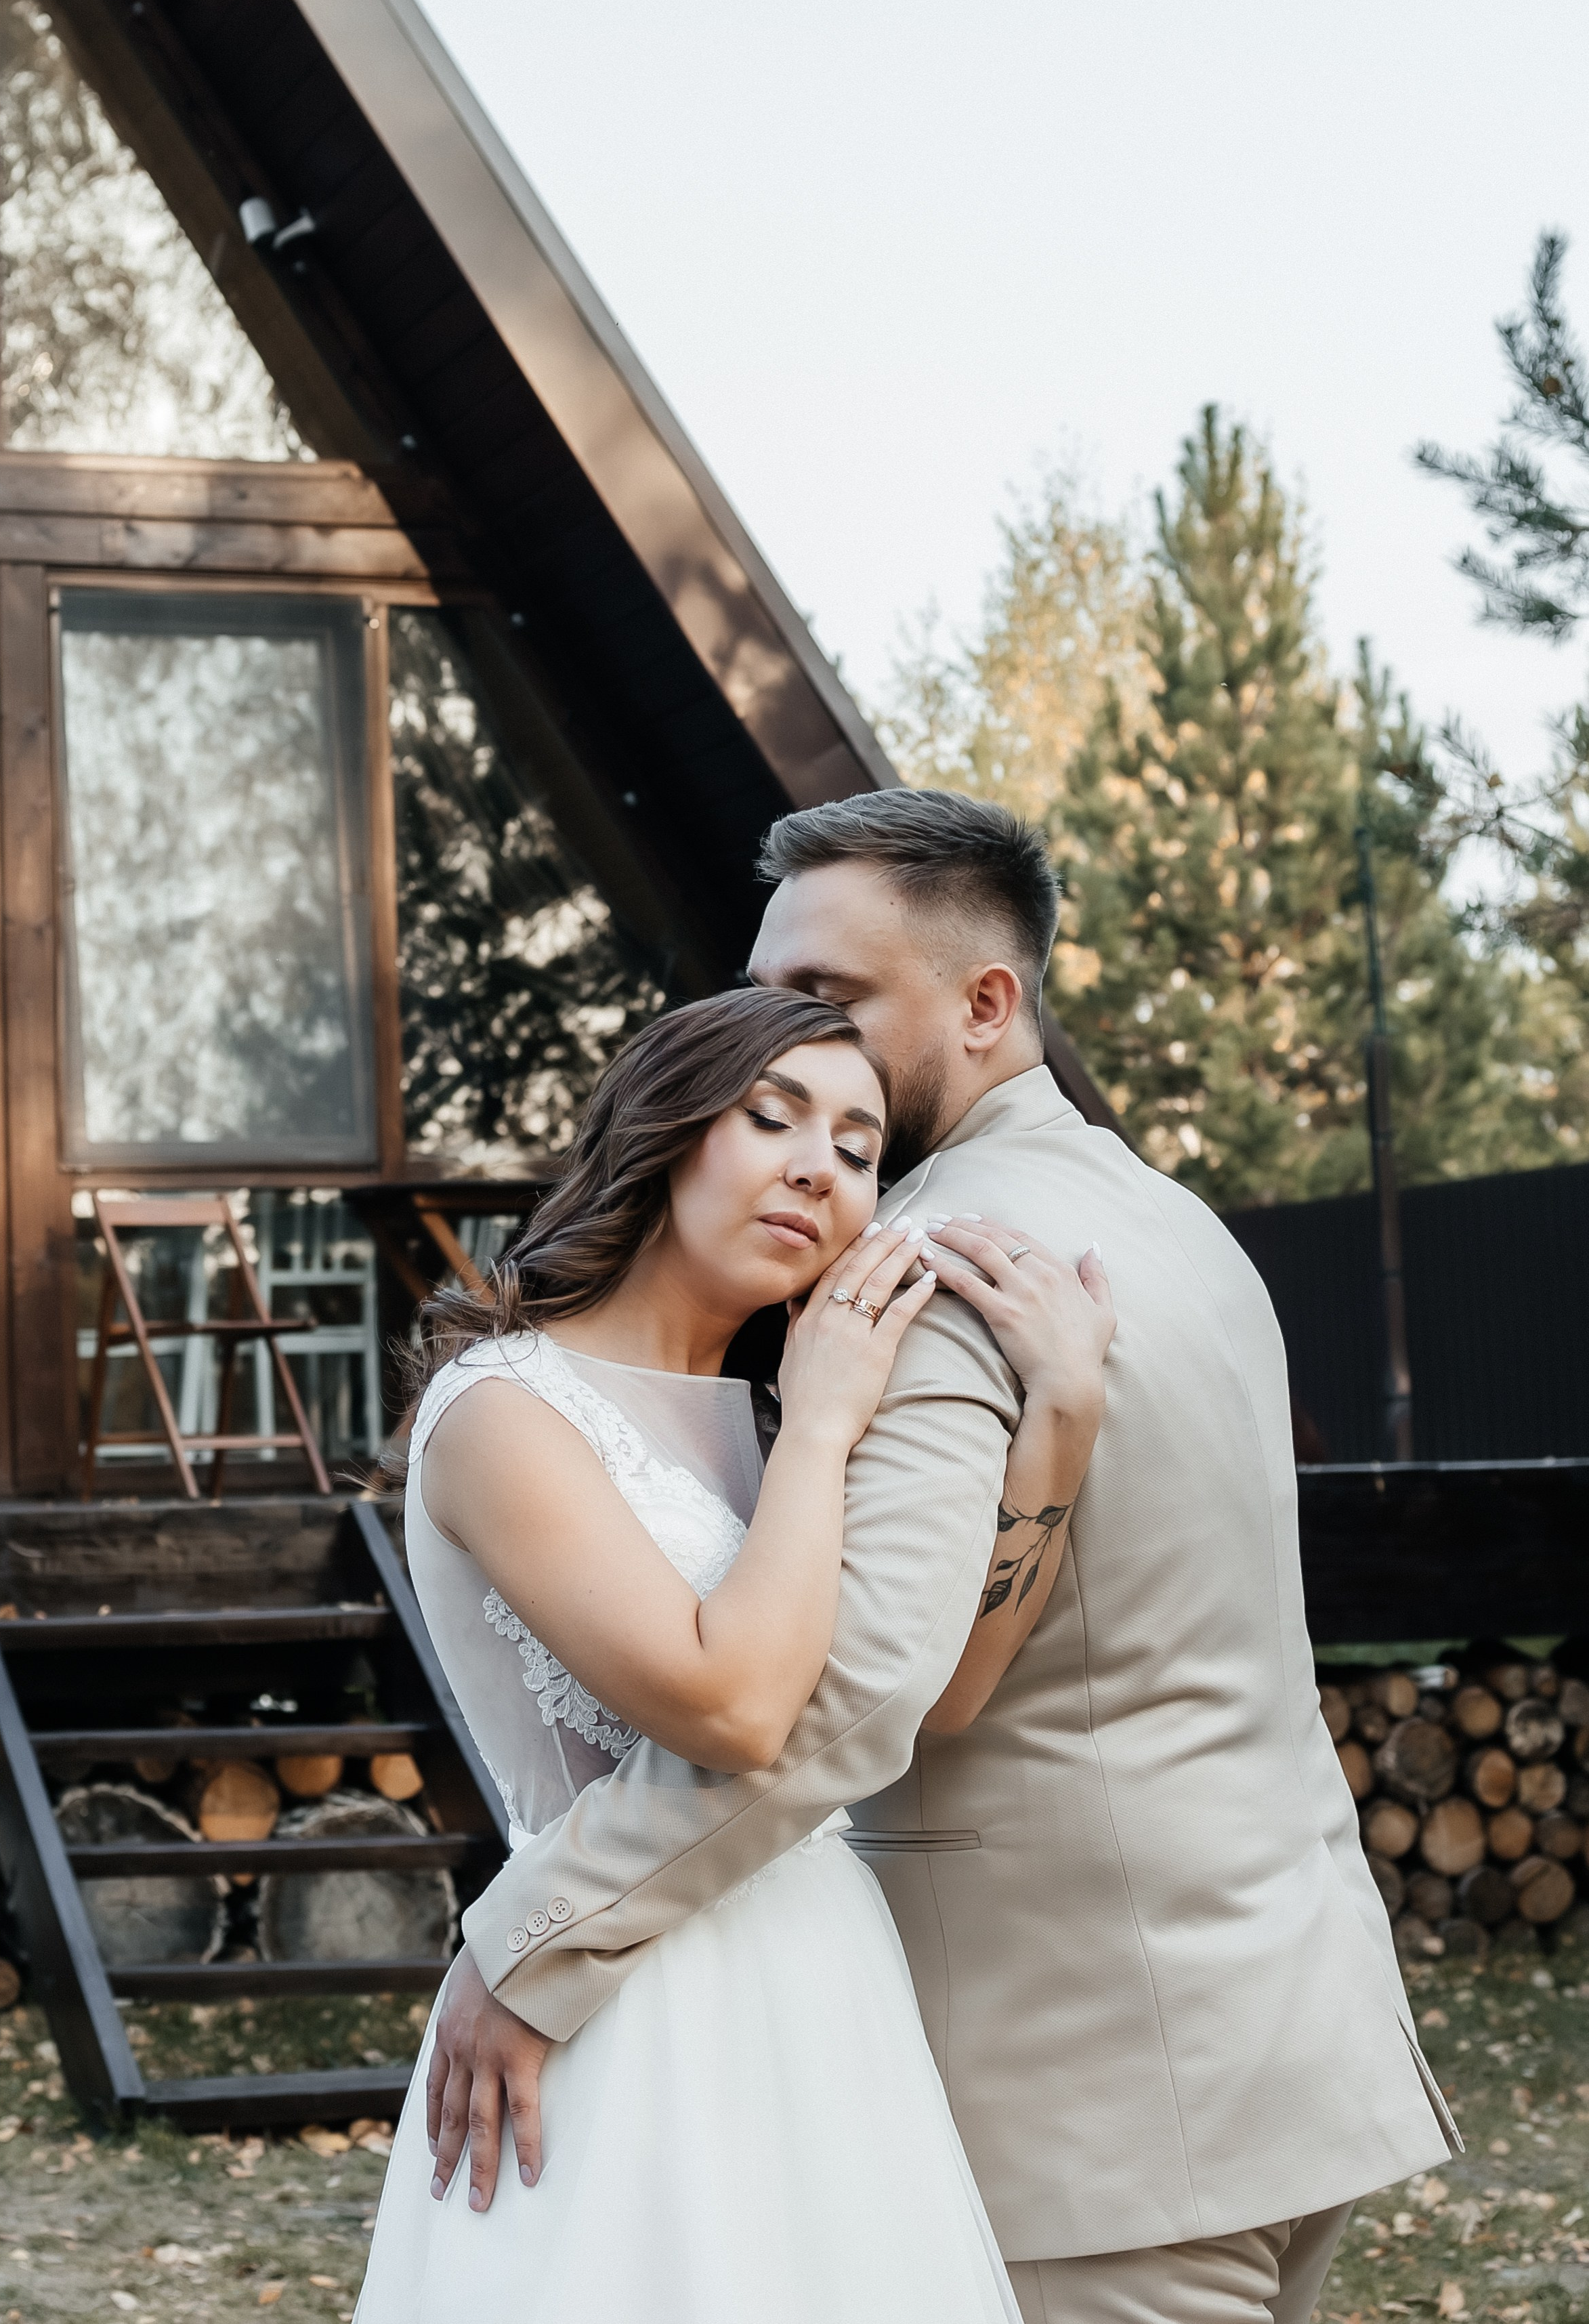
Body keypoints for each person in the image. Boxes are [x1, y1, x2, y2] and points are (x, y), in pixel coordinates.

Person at [428, 786, 1458, 2324]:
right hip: (1284, 2040)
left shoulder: (937, 1267)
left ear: (986, 1001)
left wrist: (524, 1941)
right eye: (763, 1006)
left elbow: (841, 1697)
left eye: (824, 1002)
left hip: (1093, 2092)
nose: (774, 1030)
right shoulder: (1173, 1226)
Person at [354, 980, 1115, 2323]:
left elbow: (941, 1696)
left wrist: (1057, 1414)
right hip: (613, 2004)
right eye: (774, 1118)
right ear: (665, 1129)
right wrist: (826, 1423)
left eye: (860, 1149)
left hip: (824, 1980)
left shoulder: (778, 1414)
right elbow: (741, 1707)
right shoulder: (503, 1410)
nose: (818, 1166)